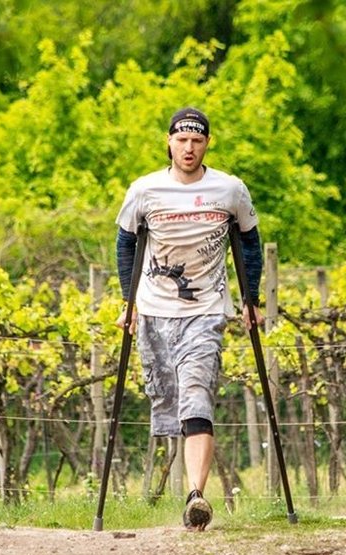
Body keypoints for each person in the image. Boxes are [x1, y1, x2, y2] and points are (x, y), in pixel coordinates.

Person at [115, 107, 264, 530]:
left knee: (197, 395)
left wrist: (251, 297)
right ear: (169, 141)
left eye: (197, 140)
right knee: (168, 402)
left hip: (206, 311)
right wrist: (129, 302)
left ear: (207, 144)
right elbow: (126, 244)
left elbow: (250, 243)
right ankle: (189, 491)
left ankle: (197, 496)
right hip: (154, 312)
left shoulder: (230, 189)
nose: (189, 147)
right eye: (182, 140)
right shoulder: (145, 190)